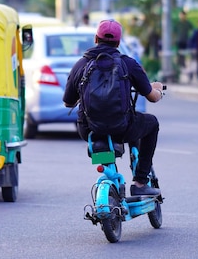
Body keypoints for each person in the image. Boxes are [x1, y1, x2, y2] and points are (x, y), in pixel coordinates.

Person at [63, 19, 165, 196]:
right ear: (118, 42)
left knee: (101, 140)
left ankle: (109, 170)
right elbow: (152, 97)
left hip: (89, 130)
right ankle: (140, 182)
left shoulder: (81, 64)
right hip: (122, 128)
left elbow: (68, 102)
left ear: (96, 38)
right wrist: (158, 89)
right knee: (152, 123)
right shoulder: (129, 64)